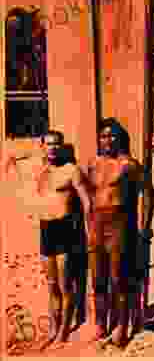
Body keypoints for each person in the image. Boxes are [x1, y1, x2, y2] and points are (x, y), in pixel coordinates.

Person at [4, 131, 93, 349]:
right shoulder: (39, 171)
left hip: (65, 231)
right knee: (51, 285)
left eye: (57, 144)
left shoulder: (71, 170)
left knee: (65, 286)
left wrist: (88, 234)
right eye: (49, 144)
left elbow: (87, 203)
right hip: (46, 230)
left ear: (62, 147)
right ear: (42, 146)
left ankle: (63, 332)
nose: (53, 148)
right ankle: (52, 330)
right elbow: (11, 157)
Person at [83, 119, 154, 347]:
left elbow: (147, 192)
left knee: (119, 278)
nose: (108, 140)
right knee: (97, 278)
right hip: (95, 223)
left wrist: (144, 226)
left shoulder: (128, 164)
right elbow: (84, 194)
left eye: (112, 136)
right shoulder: (92, 163)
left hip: (119, 222)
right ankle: (100, 324)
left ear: (120, 138)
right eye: (104, 136)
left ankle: (122, 326)